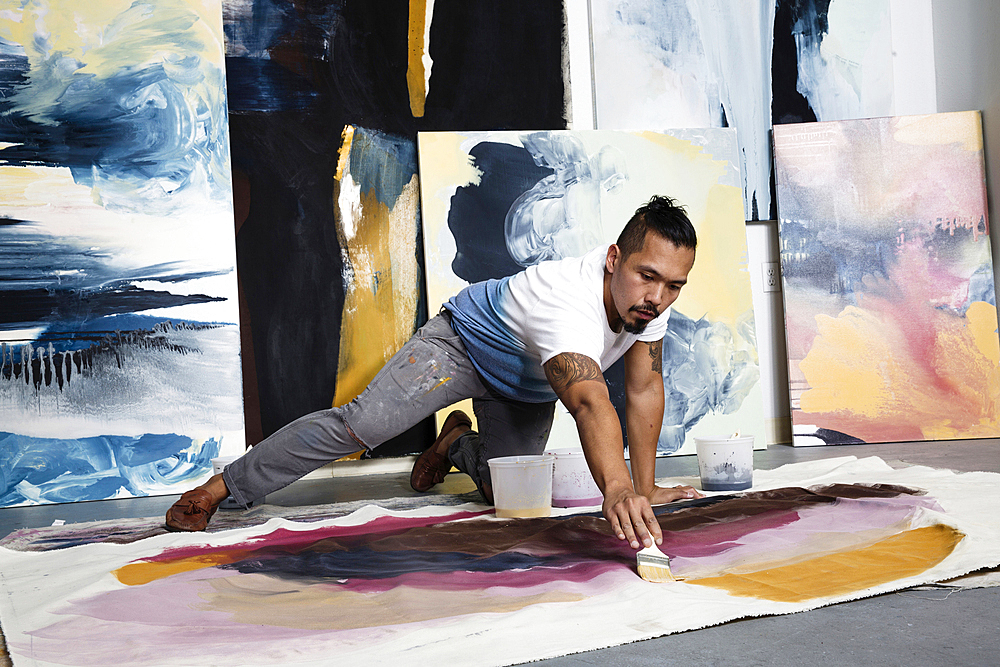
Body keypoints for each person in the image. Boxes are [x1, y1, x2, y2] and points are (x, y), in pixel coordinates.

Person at [166, 195, 703, 549]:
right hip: (461, 347)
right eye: (647, 276)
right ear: (614, 258)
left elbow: (643, 387)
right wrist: (616, 489)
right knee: (361, 426)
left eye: (674, 285)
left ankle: (451, 441)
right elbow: (591, 402)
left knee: (506, 494)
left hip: (526, 384)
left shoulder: (651, 305)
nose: (657, 297)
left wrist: (646, 486)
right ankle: (222, 488)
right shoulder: (569, 302)